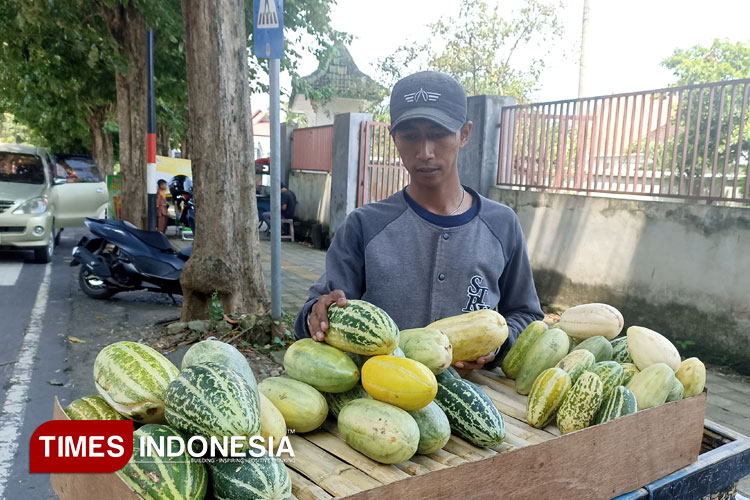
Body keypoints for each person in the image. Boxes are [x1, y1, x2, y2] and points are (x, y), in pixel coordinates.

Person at [293, 71, 544, 374]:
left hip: (478, 401)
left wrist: (499, 346)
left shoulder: (502, 224)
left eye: (438, 133)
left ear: (464, 134)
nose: (424, 152)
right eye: (410, 135)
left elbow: (526, 315)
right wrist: (314, 315)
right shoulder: (364, 226)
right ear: (393, 138)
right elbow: (320, 310)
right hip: (385, 403)